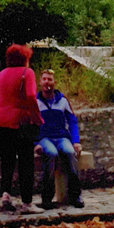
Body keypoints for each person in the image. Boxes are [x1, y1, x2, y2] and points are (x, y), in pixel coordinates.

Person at [0, 43, 43, 214]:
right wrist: (37, 117)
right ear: (25, 58)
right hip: (21, 123)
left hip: (1, 123)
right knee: (26, 162)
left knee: (7, 160)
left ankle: (6, 196)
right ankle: (27, 203)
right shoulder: (27, 73)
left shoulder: (2, 74)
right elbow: (32, 95)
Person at [35, 68, 84, 209]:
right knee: (51, 154)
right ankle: (47, 197)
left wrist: (75, 141)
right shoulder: (35, 102)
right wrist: (36, 143)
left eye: (49, 79)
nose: (47, 82)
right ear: (40, 82)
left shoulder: (63, 101)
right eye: (44, 79)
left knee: (70, 152)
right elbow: (30, 124)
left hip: (62, 137)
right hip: (45, 138)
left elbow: (72, 122)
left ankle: (76, 195)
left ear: (54, 82)